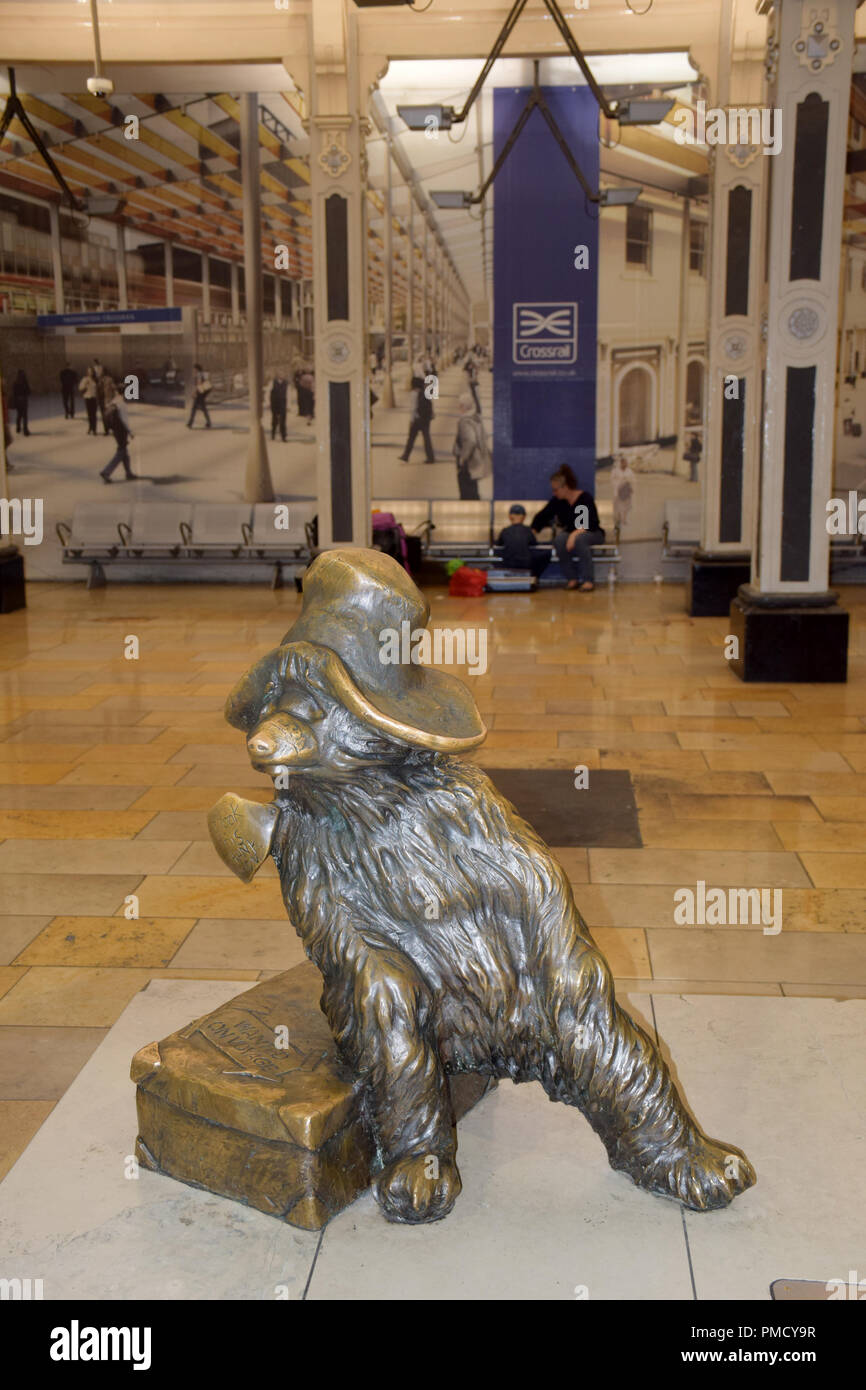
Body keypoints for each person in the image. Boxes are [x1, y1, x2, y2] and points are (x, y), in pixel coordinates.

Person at [531, 464, 605, 592]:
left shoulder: (584, 499)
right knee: (559, 540)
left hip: (592, 532)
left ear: (565, 487)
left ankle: (588, 580)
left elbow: (590, 524)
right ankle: (572, 579)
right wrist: (533, 530)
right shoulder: (558, 502)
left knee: (580, 540)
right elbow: (542, 516)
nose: (554, 493)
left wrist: (573, 535)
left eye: (556, 490)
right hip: (573, 533)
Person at [452, 392, 491, 500]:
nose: (458, 407)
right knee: (473, 491)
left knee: (466, 492)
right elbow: (485, 436)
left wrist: (462, 459)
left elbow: (470, 441)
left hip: (468, 463)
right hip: (476, 462)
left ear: (464, 406)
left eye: (459, 405)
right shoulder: (476, 418)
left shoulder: (464, 421)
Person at [497, 504, 546, 583]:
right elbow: (535, 545)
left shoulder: (505, 531)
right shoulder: (528, 531)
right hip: (526, 564)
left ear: (510, 517)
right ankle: (534, 577)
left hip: (508, 564)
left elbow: (498, 546)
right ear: (524, 517)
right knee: (546, 554)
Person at [398, 372, 435, 464]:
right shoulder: (425, 391)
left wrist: (411, 421)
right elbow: (430, 404)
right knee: (426, 438)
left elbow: (413, 408)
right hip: (426, 418)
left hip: (417, 419)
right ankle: (430, 457)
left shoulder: (414, 393)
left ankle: (406, 455)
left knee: (411, 438)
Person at [100, 398, 138, 483]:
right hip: (121, 431)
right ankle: (106, 472)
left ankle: (128, 473)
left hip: (115, 430)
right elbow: (124, 421)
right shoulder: (122, 405)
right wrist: (130, 432)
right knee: (121, 452)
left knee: (124, 452)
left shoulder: (115, 401)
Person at [611, 454, 635, 531]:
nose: (625, 464)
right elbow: (612, 479)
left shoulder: (630, 471)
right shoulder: (615, 470)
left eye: (626, 462)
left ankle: (624, 519)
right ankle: (618, 518)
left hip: (626, 490)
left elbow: (633, 480)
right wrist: (619, 483)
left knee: (627, 506)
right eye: (623, 462)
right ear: (621, 463)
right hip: (617, 490)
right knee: (617, 505)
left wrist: (628, 482)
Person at [187, 363, 212, 428]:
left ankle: (190, 423)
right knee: (202, 408)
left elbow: (199, 385)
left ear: (196, 369)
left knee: (194, 408)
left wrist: (194, 393)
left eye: (194, 369)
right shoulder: (202, 374)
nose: (193, 370)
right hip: (202, 393)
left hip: (200, 394)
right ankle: (208, 422)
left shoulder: (198, 375)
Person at [79, 366, 99, 435]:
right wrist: (85, 386)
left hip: (94, 398)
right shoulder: (85, 379)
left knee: (94, 414)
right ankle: (90, 427)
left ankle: (94, 429)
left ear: (93, 372)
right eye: (89, 371)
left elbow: (98, 389)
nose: (90, 373)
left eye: (91, 371)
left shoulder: (96, 380)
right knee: (89, 414)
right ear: (87, 372)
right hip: (87, 398)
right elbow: (80, 388)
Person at [269, 370, 288, 441]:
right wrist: (268, 403)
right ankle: (273, 434)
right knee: (274, 420)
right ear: (278, 375)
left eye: (283, 374)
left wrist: (289, 406)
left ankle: (283, 436)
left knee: (283, 420)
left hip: (283, 403)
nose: (282, 376)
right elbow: (268, 392)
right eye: (281, 374)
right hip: (275, 403)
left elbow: (288, 394)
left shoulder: (286, 383)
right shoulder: (272, 382)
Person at [11, 370, 31, 436]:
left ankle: (18, 428)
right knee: (24, 416)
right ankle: (25, 430)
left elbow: (14, 393)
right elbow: (28, 391)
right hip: (23, 401)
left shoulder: (15, 382)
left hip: (19, 401)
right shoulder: (24, 382)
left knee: (19, 415)